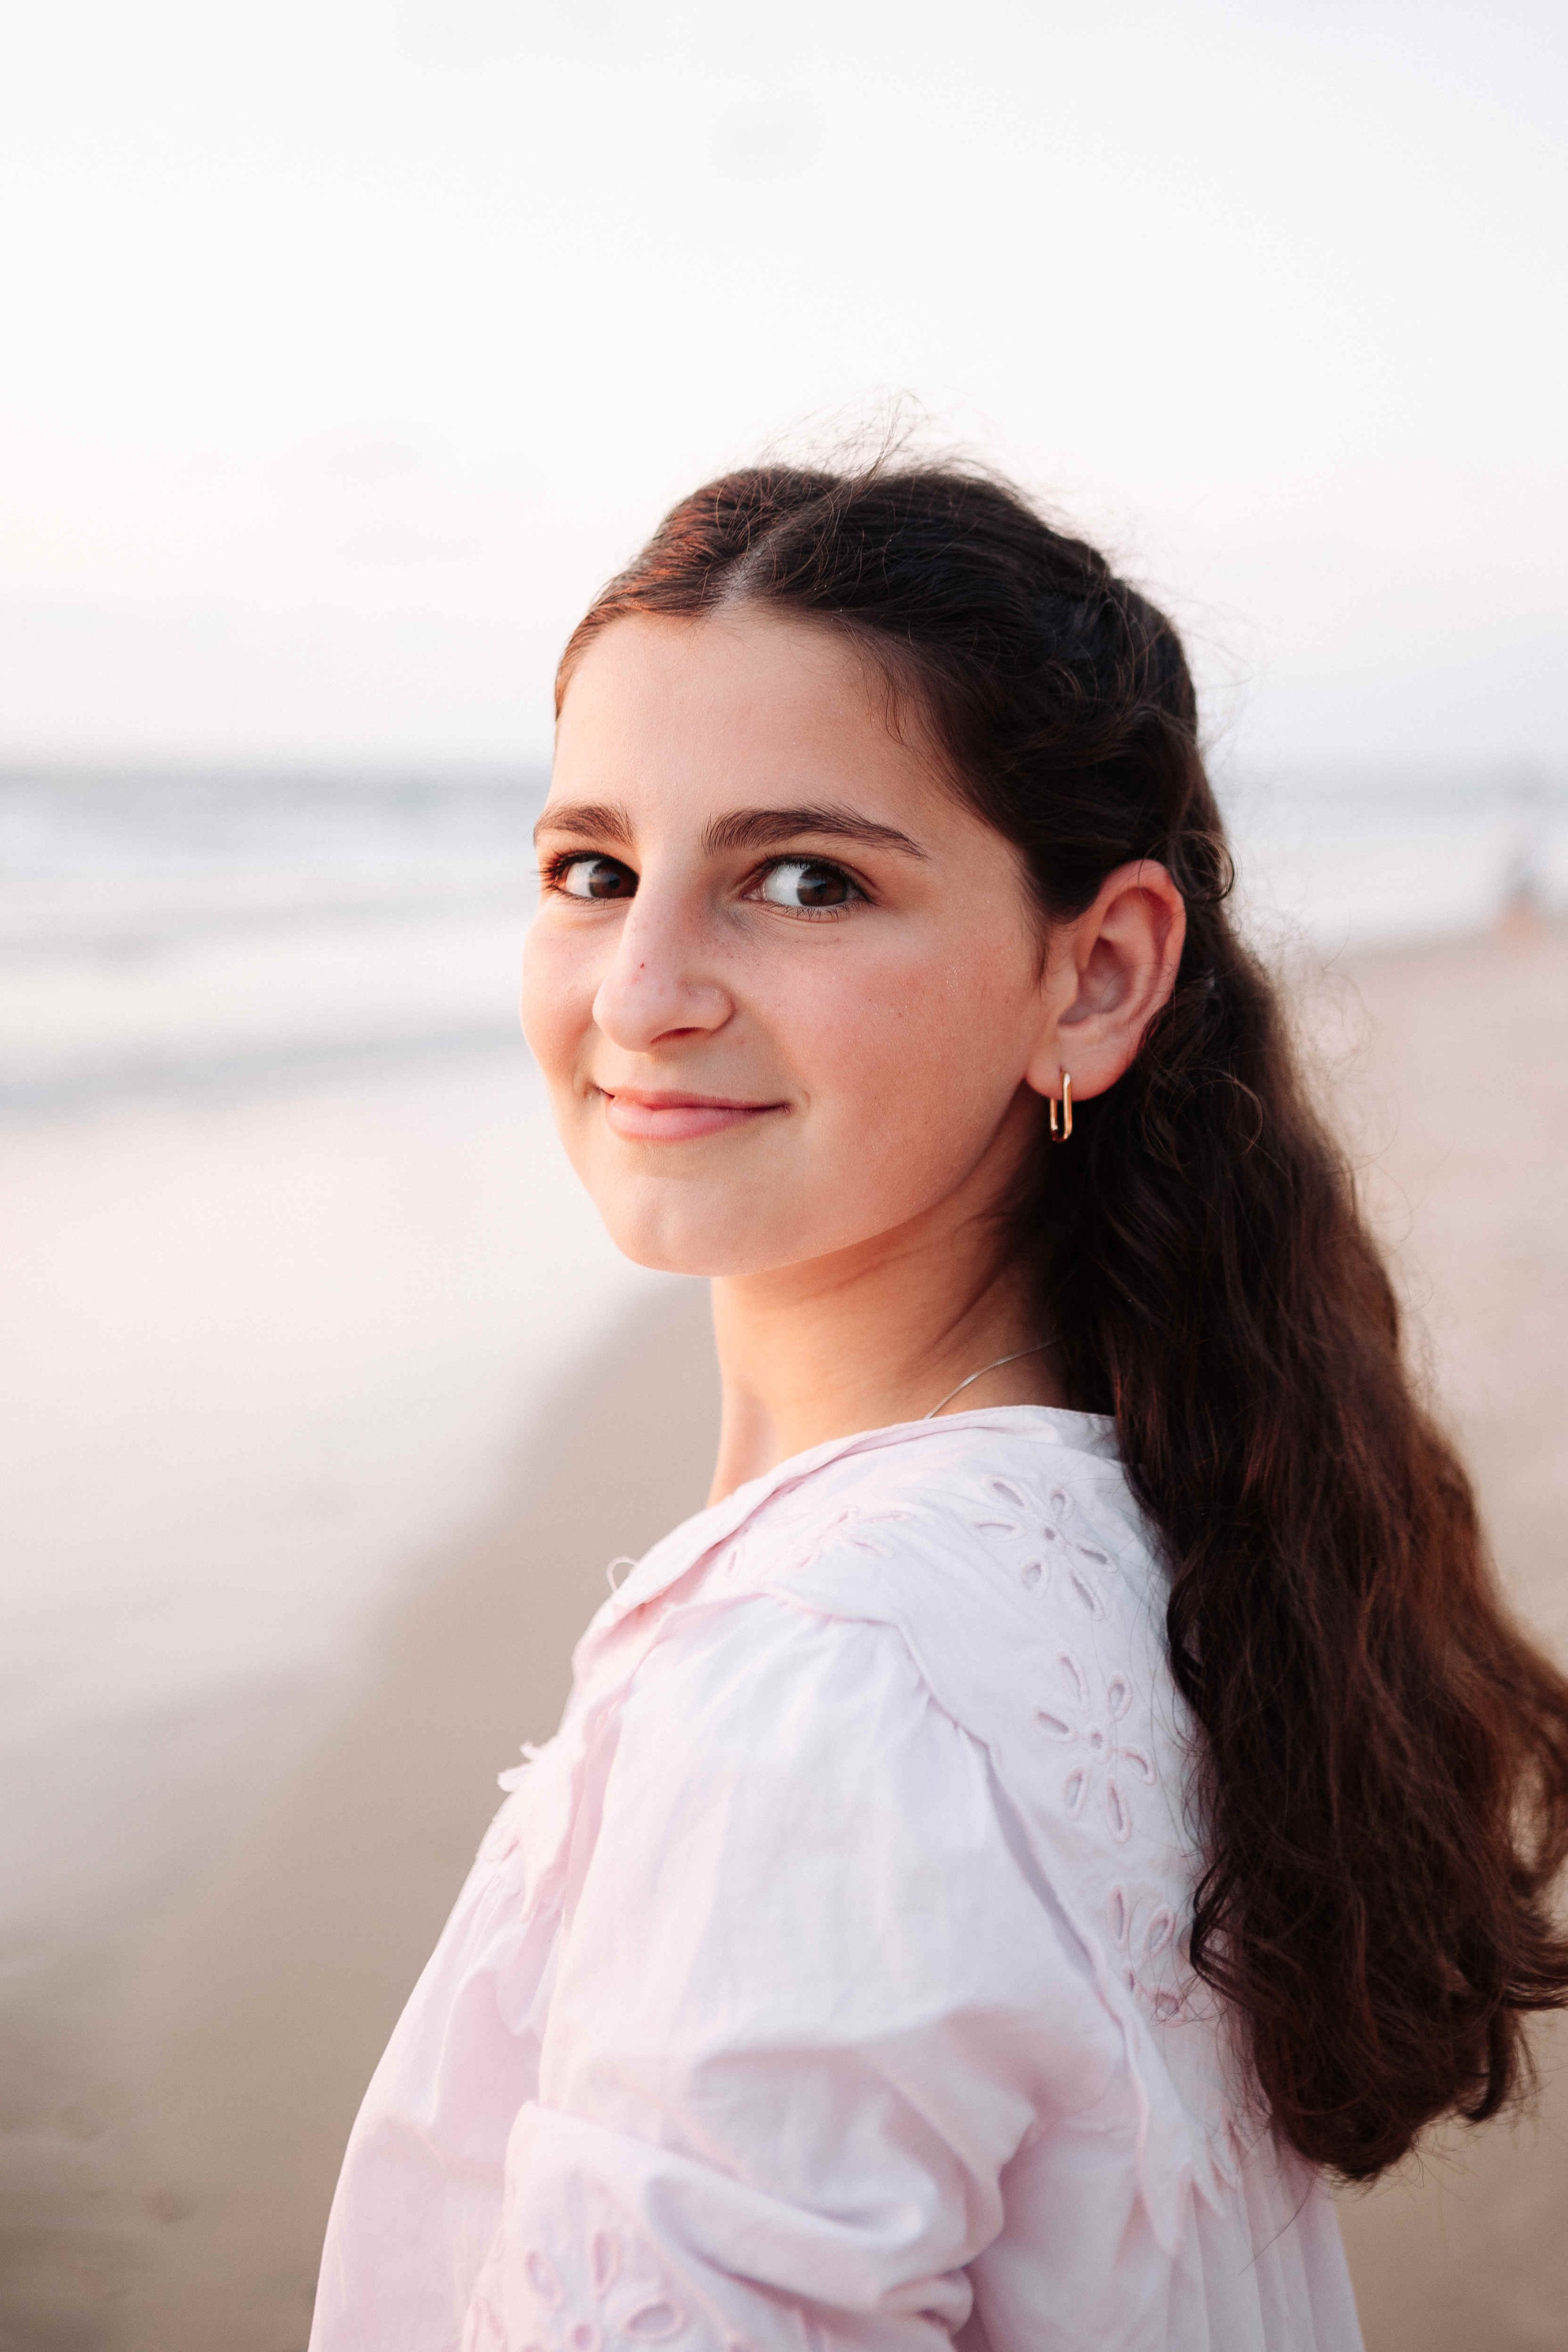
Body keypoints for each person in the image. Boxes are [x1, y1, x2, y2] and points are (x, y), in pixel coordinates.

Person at [307, 464, 1568, 2350]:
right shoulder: (1151, 1525)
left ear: (1096, 975)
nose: (642, 989)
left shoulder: (823, 1676)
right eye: (593, 869)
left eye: (803, 880)